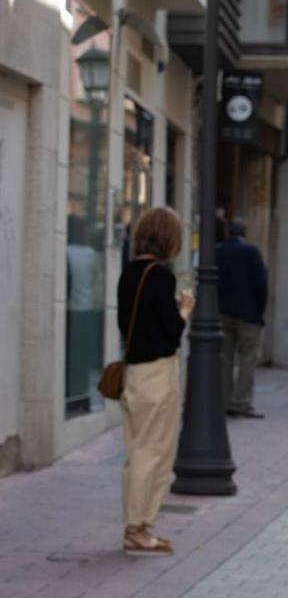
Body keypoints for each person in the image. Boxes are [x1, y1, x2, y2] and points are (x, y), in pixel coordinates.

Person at [117, 207, 194, 556]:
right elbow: (170, 333)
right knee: (154, 451)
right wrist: (185, 310)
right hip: (157, 372)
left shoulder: (130, 272)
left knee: (138, 451)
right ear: (169, 238)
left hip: (134, 372)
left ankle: (140, 525)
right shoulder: (161, 276)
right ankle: (138, 528)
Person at [215, 216, 269, 418]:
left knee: (224, 359)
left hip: (223, 312)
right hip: (248, 314)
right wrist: (259, 311)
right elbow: (262, 284)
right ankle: (241, 402)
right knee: (247, 360)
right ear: (244, 232)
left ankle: (223, 400)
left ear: (228, 232)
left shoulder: (217, 251)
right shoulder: (252, 252)